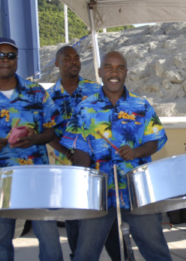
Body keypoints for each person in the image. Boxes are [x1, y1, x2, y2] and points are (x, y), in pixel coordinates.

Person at [60, 51, 173, 261]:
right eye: (109, 67)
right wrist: (80, 186)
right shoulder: (85, 108)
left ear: (126, 73)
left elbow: (156, 139)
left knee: (157, 251)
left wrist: (136, 152)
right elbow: (81, 151)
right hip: (99, 194)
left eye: (120, 67)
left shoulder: (141, 106)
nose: (114, 72)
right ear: (100, 72)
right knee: (85, 254)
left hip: (138, 192)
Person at [48, 46, 126, 261]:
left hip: (102, 168)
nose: (73, 62)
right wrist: (70, 153)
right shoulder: (48, 96)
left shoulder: (95, 90)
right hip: (68, 168)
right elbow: (46, 131)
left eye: (77, 58)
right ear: (57, 64)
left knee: (109, 222)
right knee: (75, 223)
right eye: (67, 59)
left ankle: (119, 257)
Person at [0, 37, 64, 261]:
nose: (5, 60)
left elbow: (52, 131)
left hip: (36, 176)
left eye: (10, 55)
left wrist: (35, 139)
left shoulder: (36, 92)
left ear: (17, 59)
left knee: (50, 240)